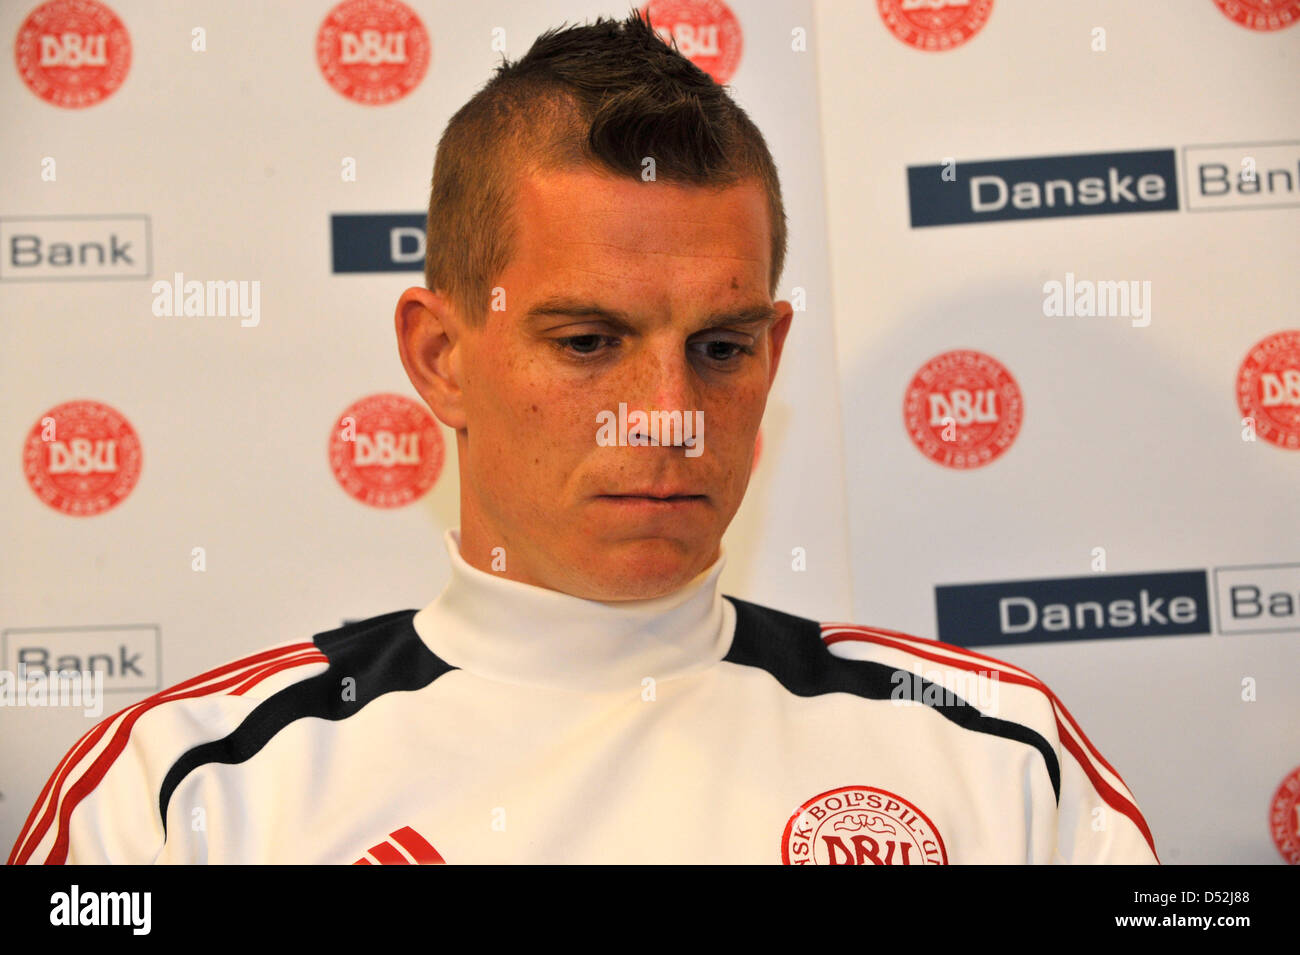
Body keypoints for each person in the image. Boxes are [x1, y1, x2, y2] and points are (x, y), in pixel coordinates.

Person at [9, 9, 1156, 865]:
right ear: (439, 357)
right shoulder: (181, 797)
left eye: (720, 346)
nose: (667, 412)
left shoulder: (999, 760)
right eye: (589, 340)